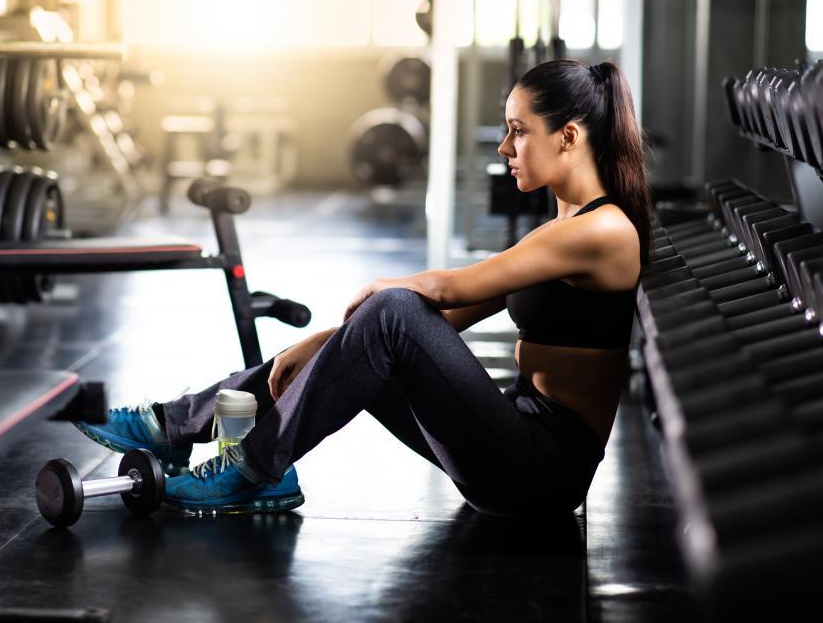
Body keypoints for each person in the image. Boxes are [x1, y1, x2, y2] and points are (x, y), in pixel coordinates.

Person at [74, 59, 652, 516]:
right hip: (508, 444)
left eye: (518, 131)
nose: (505, 148)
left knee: (395, 308)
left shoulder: (602, 230)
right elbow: (447, 319)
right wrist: (319, 342)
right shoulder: (565, 227)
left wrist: (386, 290)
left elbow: (445, 291)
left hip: (539, 475)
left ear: (569, 136)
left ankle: (250, 468)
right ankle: (177, 426)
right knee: (387, 324)